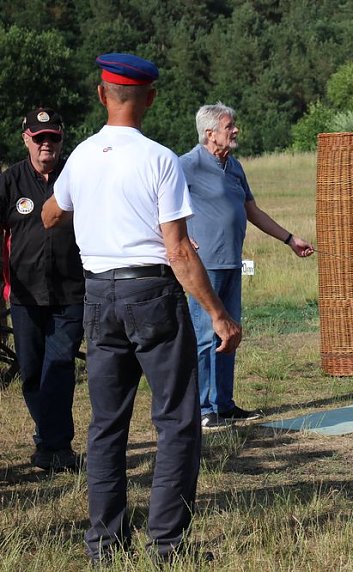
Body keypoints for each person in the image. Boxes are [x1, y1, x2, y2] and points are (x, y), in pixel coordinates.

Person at [42, 53, 241, 564]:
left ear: (100, 94)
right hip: (150, 294)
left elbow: (49, 215)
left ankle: (104, 546)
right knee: (176, 420)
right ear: (150, 98)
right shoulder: (159, 159)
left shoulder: (81, 156)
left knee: (107, 424)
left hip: (97, 293)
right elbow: (177, 249)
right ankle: (167, 545)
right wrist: (218, 313)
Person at [179, 103, 313, 430]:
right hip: (202, 268)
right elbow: (159, 206)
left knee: (231, 335)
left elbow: (253, 211)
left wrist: (289, 239)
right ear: (210, 133)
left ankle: (224, 404)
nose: (235, 130)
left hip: (231, 265)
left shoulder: (235, 167)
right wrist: (177, 238)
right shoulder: (186, 165)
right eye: (229, 126)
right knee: (206, 336)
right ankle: (203, 408)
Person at [0, 108, 84, 471]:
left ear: (62, 139)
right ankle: (47, 439)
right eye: (39, 138)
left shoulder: (78, 177)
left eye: (53, 137)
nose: (46, 144)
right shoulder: (10, 181)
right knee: (32, 370)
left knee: (60, 365)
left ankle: (57, 446)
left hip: (72, 291)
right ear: (27, 140)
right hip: (25, 293)